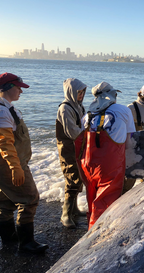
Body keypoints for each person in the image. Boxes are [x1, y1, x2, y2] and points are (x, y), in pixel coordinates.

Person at [74, 82, 136, 230]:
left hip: (88, 162)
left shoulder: (87, 115)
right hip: (110, 163)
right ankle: (98, 235)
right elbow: (129, 142)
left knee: (92, 197)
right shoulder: (123, 110)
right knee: (107, 200)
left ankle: (90, 228)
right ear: (112, 95)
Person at [0, 72, 48, 253]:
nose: (21, 91)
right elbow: (4, 142)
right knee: (30, 199)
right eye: (19, 87)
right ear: (8, 87)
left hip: (7, 165)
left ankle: (9, 237)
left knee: (5, 201)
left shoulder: (7, 108)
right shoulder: (3, 111)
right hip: (11, 165)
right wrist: (15, 167)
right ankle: (26, 243)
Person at [56, 78, 87, 229]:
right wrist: (89, 133)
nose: (81, 95)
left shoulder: (79, 106)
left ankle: (74, 208)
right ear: (71, 92)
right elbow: (73, 132)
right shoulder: (65, 108)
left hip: (78, 147)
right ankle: (66, 214)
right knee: (72, 177)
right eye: (78, 92)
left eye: (82, 92)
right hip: (68, 148)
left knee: (78, 177)